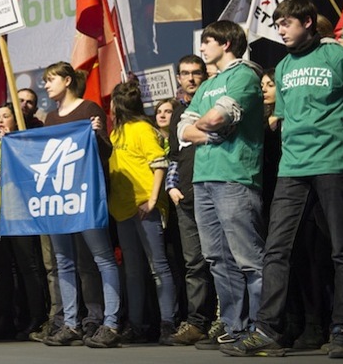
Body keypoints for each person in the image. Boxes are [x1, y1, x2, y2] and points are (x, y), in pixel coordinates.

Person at [223, 0, 343, 358]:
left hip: (335, 163)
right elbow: (283, 119)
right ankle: (268, 329)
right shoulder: (281, 68)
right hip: (292, 170)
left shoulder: (338, 56)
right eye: (278, 24)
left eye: (286, 24)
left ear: (308, 22)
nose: (280, 30)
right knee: (277, 249)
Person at [179, 20, 265, 348]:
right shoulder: (206, 86)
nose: (202, 48)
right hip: (203, 179)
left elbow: (214, 118)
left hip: (235, 176)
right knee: (216, 257)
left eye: (207, 41)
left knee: (247, 256)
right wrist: (214, 132)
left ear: (226, 43)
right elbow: (183, 131)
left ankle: (261, 326)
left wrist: (208, 127)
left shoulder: (243, 75)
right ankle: (235, 325)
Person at [39, 62, 122, 348]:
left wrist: (98, 135)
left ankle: (110, 323)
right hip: (58, 199)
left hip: (84, 197)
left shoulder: (89, 110)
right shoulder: (50, 118)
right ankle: (71, 323)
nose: (46, 86)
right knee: (63, 261)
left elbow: (104, 153)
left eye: (50, 80)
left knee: (102, 258)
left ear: (67, 80)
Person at [109, 81, 177, 344]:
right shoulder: (117, 133)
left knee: (158, 267)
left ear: (119, 104)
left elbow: (159, 163)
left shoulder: (143, 129)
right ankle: (136, 324)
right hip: (122, 209)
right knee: (133, 270)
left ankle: (168, 323)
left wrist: (151, 200)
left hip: (143, 207)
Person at [0, 104, 48, 341]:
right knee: (4, 272)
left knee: (27, 268)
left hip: (20, 214)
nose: (0, 121)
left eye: (5, 116)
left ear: (16, 120)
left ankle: (36, 317)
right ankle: (6, 320)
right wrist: (0, 178)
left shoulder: (24, 144)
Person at [164, 55, 217, 347]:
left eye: (197, 73)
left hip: (213, 190)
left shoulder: (213, 104)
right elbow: (174, 154)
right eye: (185, 74)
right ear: (179, 78)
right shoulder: (176, 113)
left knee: (221, 260)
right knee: (194, 263)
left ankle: (226, 320)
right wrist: (171, 187)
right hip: (184, 196)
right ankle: (197, 322)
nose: (191, 78)